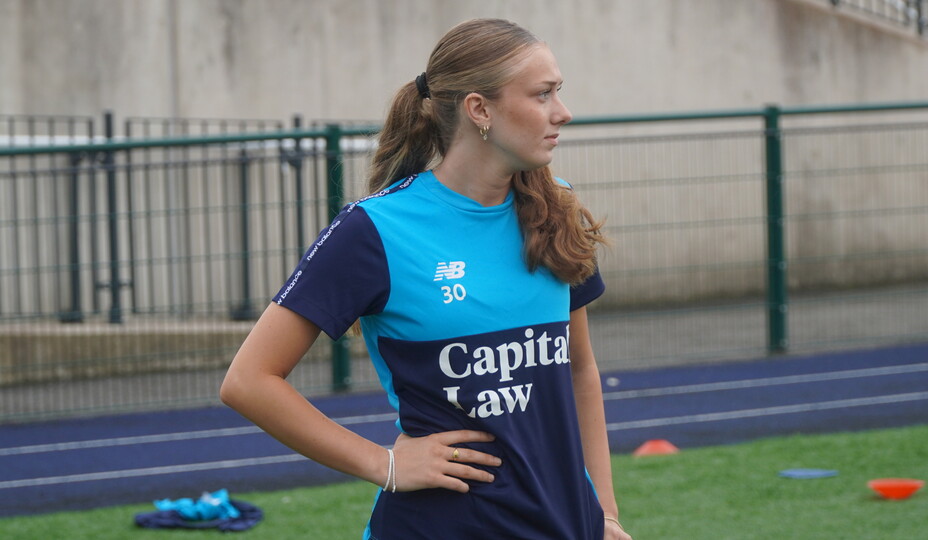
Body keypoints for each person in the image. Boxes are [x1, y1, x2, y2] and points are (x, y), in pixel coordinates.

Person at [221, 18, 631, 540]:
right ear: (479, 109)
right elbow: (248, 381)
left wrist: (606, 511)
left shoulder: (555, 207)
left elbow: (580, 373)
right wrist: (383, 463)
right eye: (543, 94)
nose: (562, 112)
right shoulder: (374, 229)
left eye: (559, 92)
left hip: (569, 524)